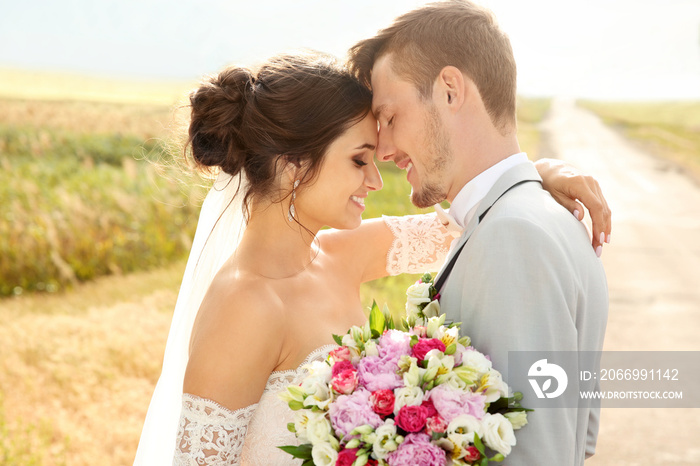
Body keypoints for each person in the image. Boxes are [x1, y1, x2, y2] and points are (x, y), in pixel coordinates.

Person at [134, 50, 610, 465]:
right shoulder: (244, 307)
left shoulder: (339, 254)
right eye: (359, 160)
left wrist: (541, 174)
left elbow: (469, 218)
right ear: (291, 164)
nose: (376, 181)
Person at [347, 1, 610, 464]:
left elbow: (531, 451)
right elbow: (578, 437)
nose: (383, 149)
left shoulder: (514, 237)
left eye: (390, 117)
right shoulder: (531, 216)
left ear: (449, 90)